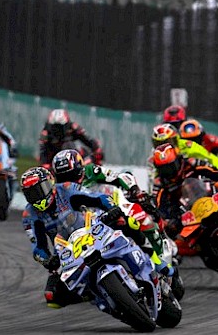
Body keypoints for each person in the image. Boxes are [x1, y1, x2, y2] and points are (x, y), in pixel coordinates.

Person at [20, 166, 149, 308]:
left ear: (50, 183)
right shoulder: (29, 215)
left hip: (92, 230)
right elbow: (38, 247)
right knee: (52, 297)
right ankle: (95, 296)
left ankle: (151, 256)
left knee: (128, 223)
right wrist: (48, 260)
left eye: (40, 190)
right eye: (31, 194)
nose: (37, 196)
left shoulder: (67, 188)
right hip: (67, 252)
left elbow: (98, 197)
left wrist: (112, 208)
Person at [51, 149, 171, 273]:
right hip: (88, 223)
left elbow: (120, 177)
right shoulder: (59, 192)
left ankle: (157, 259)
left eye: (70, 175)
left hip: (112, 207)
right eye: (62, 177)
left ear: (80, 169)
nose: (67, 181)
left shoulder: (91, 171)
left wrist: (135, 190)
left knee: (138, 220)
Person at [149, 143, 218, 236]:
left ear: (178, 160)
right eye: (164, 169)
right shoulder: (159, 183)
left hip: (210, 198)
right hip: (187, 215)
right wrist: (169, 220)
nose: (169, 171)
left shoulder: (191, 163)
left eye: (171, 166)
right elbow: (159, 206)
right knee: (176, 237)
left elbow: (214, 171)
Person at [38, 109, 103, 168]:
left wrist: (96, 149)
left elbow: (86, 139)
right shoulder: (46, 133)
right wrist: (45, 164)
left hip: (73, 155)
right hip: (55, 158)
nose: (57, 129)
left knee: (95, 156)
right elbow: (43, 150)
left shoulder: (73, 128)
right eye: (55, 126)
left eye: (59, 126)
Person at [151, 123, 218, 170]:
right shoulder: (154, 155)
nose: (164, 147)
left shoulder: (187, 145)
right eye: (158, 143)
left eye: (167, 142)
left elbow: (209, 157)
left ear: (175, 139)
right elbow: (153, 178)